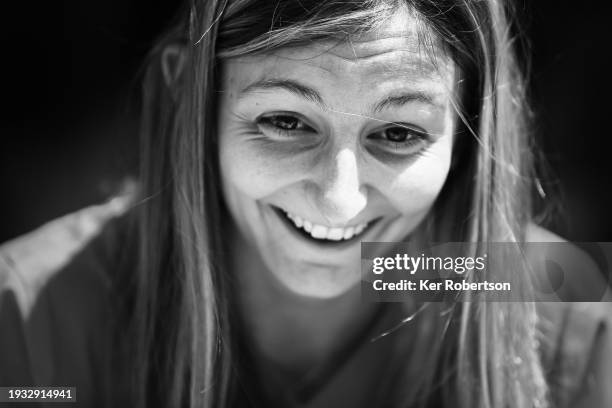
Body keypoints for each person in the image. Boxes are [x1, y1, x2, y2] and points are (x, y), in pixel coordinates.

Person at [0, 0, 611, 407]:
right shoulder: (29, 316)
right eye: (286, 121)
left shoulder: (567, 311)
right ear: (190, 100)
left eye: (398, 133)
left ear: (470, 131)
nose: (340, 202)